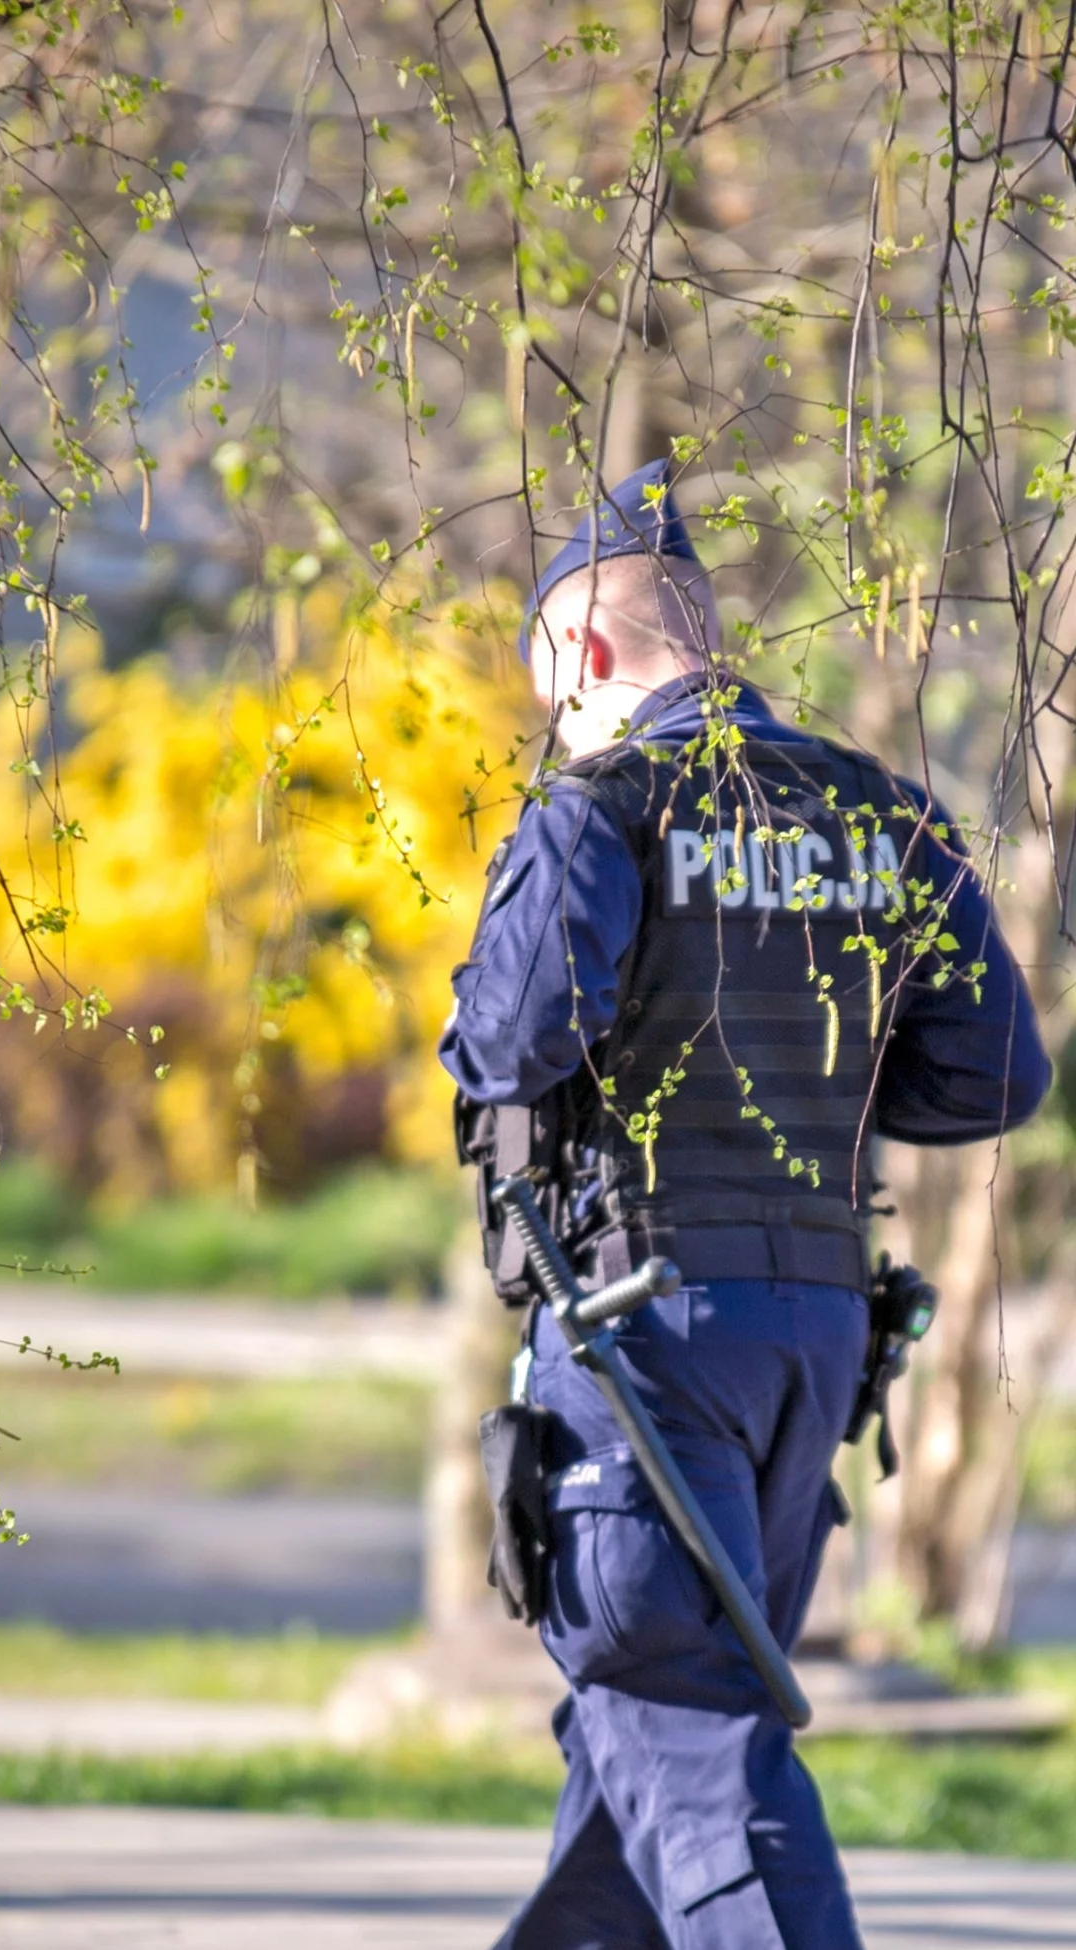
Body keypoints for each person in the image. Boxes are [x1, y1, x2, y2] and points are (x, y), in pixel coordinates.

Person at [443, 459, 1053, 1950]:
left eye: (549, 691)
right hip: (815, 1342)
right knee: (640, 1739)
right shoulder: (883, 816)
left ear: (583, 652)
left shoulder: (607, 807)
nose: (554, 724)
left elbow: (515, 1040)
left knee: (689, 1731)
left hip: (647, 1343)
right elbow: (996, 1075)